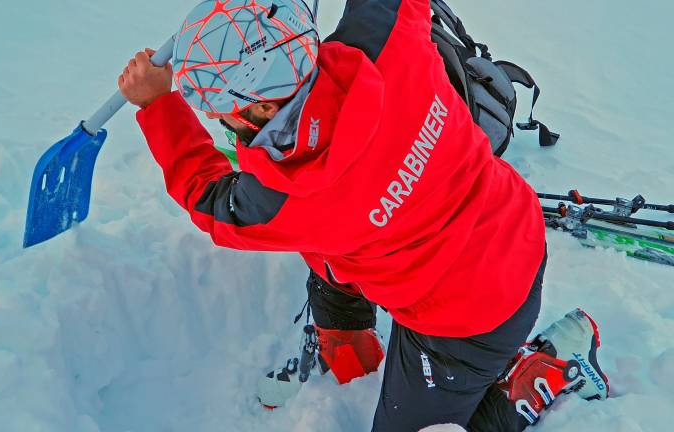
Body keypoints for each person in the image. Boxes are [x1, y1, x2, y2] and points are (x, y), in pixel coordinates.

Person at [118, 0, 609, 430]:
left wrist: (158, 104)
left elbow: (207, 197)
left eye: (222, 112)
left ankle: (549, 369)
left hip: (472, 321)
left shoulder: (278, 200)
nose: (222, 122)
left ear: (260, 111)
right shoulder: (384, 41)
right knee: (329, 249)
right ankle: (351, 354)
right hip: (511, 222)